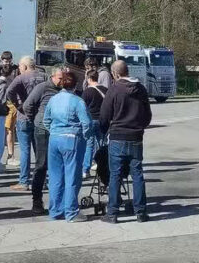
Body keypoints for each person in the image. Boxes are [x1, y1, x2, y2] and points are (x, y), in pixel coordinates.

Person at [100, 60, 152, 224]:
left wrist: (104, 130)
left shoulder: (114, 89)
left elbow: (104, 115)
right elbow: (147, 114)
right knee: (137, 174)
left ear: (115, 74)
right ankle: (141, 212)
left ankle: (113, 212)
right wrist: (140, 127)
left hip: (117, 136)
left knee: (115, 174)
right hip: (136, 136)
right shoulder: (141, 89)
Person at [42, 72, 93, 222]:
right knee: (72, 176)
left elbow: (46, 120)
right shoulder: (77, 101)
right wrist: (85, 135)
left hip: (54, 139)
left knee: (55, 176)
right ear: (75, 85)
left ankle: (55, 210)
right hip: (72, 138)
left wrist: (54, 131)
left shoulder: (53, 100)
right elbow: (87, 123)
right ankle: (71, 211)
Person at [21, 68, 65, 214]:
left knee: (58, 166)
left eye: (63, 78)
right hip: (43, 130)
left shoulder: (64, 90)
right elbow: (28, 105)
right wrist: (35, 119)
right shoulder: (43, 88)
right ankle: (37, 200)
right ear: (52, 77)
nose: (62, 81)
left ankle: (59, 201)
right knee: (42, 165)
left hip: (59, 131)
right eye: (59, 78)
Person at [5, 57, 47, 191]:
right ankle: (43, 180)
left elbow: (8, 92)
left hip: (24, 117)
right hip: (40, 117)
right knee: (40, 151)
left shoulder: (20, 78)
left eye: (19, 66)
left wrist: (17, 105)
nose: (18, 68)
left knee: (25, 151)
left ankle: (24, 181)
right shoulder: (45, 76)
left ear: (24, 66)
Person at [80, 69, 107, 178]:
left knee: (89, 145)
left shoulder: (87, 92)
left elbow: (82, 107)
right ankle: (103, 167)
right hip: (102, 120)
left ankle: (85, 170)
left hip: (90, 120)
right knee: (102, 145)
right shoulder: (105, 90)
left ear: (89, 78)